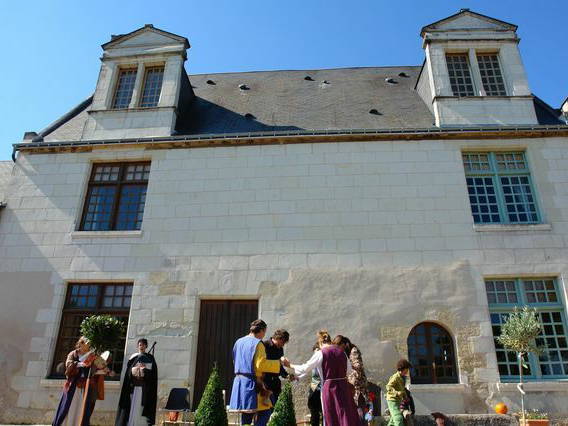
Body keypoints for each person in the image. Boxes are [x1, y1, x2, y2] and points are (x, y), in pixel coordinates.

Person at [287, 330, 359, 426]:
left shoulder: (321, 353)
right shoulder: (342, 352)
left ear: (320, 342)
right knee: (344, 414)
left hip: (329, 388)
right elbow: (349, 371)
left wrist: (290, 365)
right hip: (343, 386)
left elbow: (304, 368)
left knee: (330, 415)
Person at [229, 319, 283, 426]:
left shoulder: (238, 342)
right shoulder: (258, 344)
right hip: (253, 384)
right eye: (264, 332)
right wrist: (278, 363)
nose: (264, 335)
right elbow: (261, 365)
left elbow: (235, 360)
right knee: (265, 412)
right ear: (262, 331)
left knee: (247, 414)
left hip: (240, 382)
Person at [52, 336, 109, 426]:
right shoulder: (73, 354)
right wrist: (78, 364)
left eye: (89, 343)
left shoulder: (92, 355)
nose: (88, 344)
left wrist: (107, 370)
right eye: (86, 342)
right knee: (68, 406)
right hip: (73, 385)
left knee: (82, 407)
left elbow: (102, 365)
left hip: (85, 386)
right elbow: (68, 364)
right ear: (81, 343)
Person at [115, 338, 158, 426]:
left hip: (143, 389)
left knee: (140, 407)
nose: (141, 346)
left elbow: (152, 374)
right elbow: (128, 372)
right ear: (137, 346)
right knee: (131, 406)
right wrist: (135, 369)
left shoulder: (150, 358)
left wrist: (144, 370)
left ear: (146, 346)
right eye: (140, 345)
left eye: (143, 345)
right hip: (133, 387)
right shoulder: (133, 357)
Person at [334, 336, 369, 425]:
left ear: (344, 344)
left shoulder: (353, 351)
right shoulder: (346, 352)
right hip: (352, 386)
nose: (338, 350)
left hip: (358, 387)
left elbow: (358, 367)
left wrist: (348, 366)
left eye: (339, 347)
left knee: (359, 411)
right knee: (355, 412)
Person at [262, 329, 290, 408]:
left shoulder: (280, 348)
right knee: (267, 408)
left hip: (276, 382)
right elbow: (262, 363)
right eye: (283, 342)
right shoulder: (264, 345)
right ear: (278, 338)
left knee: (277, 407)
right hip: (265, 382)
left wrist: (286, 375)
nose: (283, 345)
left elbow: (279, 366)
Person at [386, 359, 412, 426]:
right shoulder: (395, 377)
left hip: (398, 401)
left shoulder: (402, 378)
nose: (407, 371)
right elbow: (388, 387)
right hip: (392, 401)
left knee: (392, 421)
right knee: (398, 418)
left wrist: (405, 397)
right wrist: (397, 393)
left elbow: (402, 390)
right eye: (407, 369)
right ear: (402, 369)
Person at [307, 342, 323, 426]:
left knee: (324, 412)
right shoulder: (314, 360)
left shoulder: (323, 360)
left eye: (317, 351)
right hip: (314, 386)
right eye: (314, 352)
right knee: (314, 412)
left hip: (322, 387)